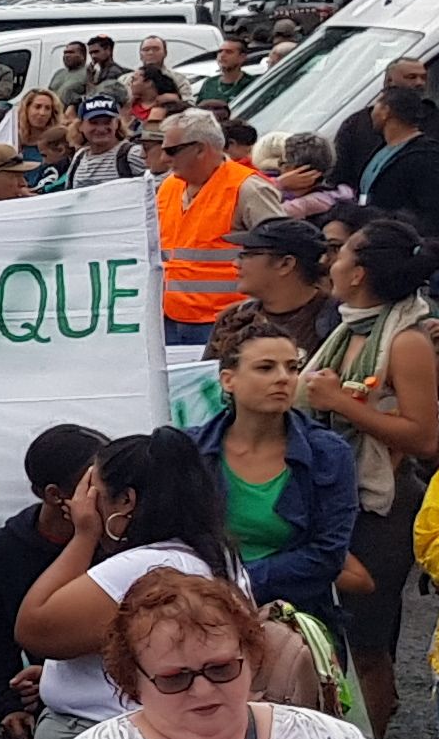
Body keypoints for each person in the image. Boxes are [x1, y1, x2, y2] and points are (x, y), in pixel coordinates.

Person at [23, 572, 381, 739]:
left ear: (251, 656)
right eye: (176, 678)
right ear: (133, 681)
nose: (203, 689)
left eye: (221, 669)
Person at [13, 426, 249, 739]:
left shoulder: (142, 568)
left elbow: (34, 628)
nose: (86, 503)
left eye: (97, 494)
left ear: (126, 501)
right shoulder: (211, 556)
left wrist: (85, 534)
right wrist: (62, 674)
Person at [303, 215, 439, 731]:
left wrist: (340, 401)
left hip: (379, 507)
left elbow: (423, 436)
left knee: (366, 645)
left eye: (341, 255)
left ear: (359, 273)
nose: (331, 262)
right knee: (327, 639)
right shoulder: (347, 327)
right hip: (332, 496)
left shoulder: (406, 340)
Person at [197, 329, 359, 634]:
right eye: (265, 368)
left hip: (297, 618)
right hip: (204, 612)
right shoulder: (192, 450)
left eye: (292, 367)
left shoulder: (329, 453)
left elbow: (328, 555)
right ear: (228, 380)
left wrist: (239, 584)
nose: (284, 378)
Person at [0, 424, 106, 739]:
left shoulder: (122, 542)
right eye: (92, 482)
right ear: (53, 494)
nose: (106, 490)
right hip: (52, 719)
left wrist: (57, 676)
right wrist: (10, 706)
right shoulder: (1, 552)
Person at [153, 111, 280, 340]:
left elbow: (281, 255)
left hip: (227, 323)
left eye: (171, 150)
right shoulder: (168, 187)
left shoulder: (248, 189)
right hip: (170, 319)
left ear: (200, 149)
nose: (163, 159)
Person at [208, 220, 336, 361]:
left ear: (286, 264)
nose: (236, 264)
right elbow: (206, 379)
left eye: (248, 255)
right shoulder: (233, 319)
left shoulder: (335, 321)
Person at [358, 84, 439, 235]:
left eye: (377, 104)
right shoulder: (381, 150)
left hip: (398, 246)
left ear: (386, 111)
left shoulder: (427, 157)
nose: (371, 112)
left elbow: (436, 214)